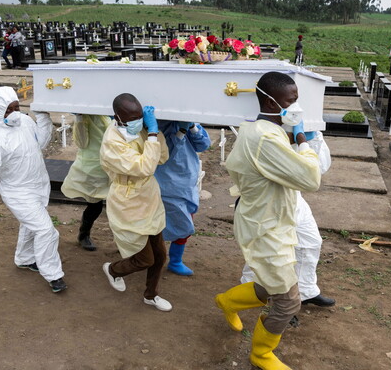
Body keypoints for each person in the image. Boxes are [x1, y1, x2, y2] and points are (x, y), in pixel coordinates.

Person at [215, 72, 321, 369]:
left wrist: (291, 136)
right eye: (291, 100)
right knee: (287, 301)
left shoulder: (258, 129)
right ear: (271, 100)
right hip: (266, 227)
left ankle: (227, 301)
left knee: (268, 285)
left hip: (270, 220)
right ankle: (261, 354)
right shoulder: (265, 138)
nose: (296, 106)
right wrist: (301, 138)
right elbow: (310, 178)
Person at [0, 86, 66, 293]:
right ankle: (53, 273)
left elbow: (40, 142)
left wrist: (42, 117)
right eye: (7, 110)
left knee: (31, 225)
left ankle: (24, 258)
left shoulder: (24, 121)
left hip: (38, 185)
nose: (13, 113)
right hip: (17, 192)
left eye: (16, 107)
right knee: (46, 230)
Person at [240, 131, 335, 309]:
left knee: (310, 242)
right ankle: (252, 292)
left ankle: (305, 292)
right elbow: (305, 175)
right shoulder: (264, 132)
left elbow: (320, 167)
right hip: (270, 200)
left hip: (294, 198)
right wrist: (301, 142)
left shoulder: (304, 126)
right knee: (267, 250)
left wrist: (311, 138)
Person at [100, 94, 171, 312]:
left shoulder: (137, 129)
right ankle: (113, 269)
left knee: (160, 255)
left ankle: (151, 295)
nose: (137, 121)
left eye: (140, 116)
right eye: (132, 117)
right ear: (117, 117)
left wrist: (154, 131)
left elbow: (161, 157)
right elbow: (144, 167)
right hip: (128, 201)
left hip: (149, 197)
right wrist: (151, 133)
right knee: (144, 258)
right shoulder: (112, 142)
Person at [154, 120, 211, 276]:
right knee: (155, 224)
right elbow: (166, 154)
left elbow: (203, 145)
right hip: (164, 182)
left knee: (185, 224)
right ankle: (147, 255)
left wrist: (193, 128)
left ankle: (175, 261)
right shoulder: (155, 126)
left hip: (186, 183)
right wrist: (180, 133)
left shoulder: (188, 122)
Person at [61, 114, 111, 251]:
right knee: (95, 206)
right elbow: (82, 143)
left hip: (115, 166)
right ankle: (84, 235)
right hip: (94, 169)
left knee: (117, 207)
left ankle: (124, 242)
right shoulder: (87, 117)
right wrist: (80, 120)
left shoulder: (111, 113)